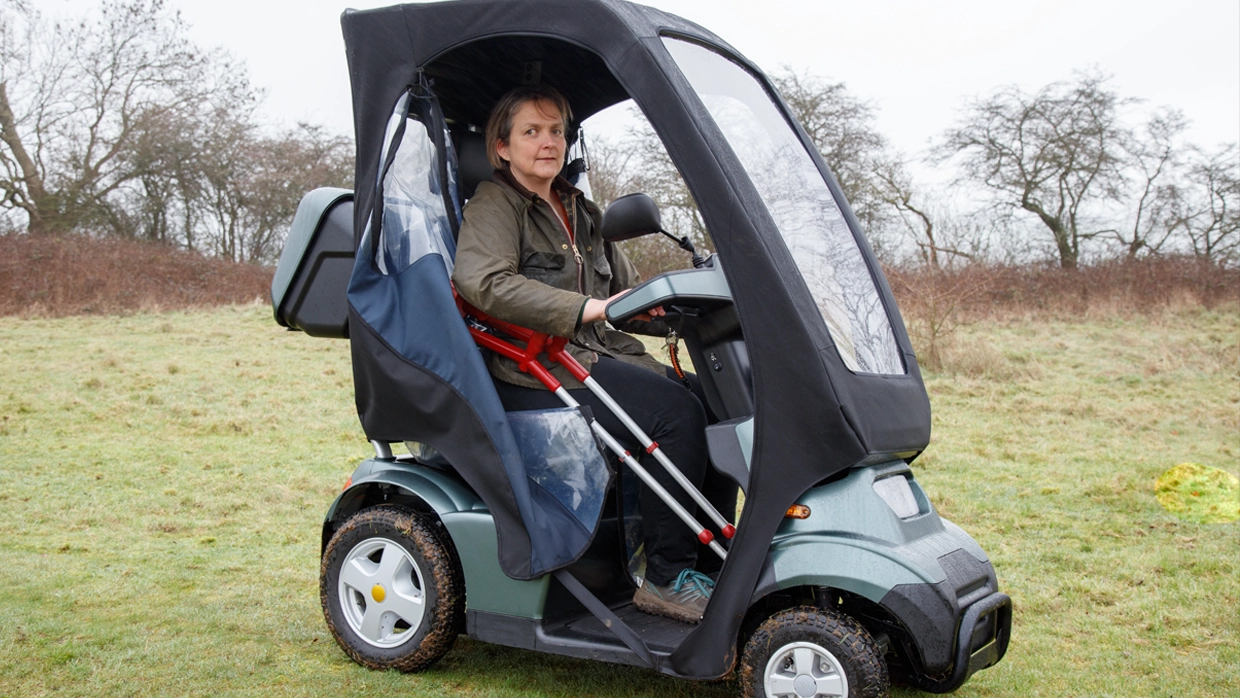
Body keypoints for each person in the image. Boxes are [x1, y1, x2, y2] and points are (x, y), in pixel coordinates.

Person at [452, 85, 732, 624]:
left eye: (556, 131)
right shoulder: (495, 204)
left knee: (714, 403)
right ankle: (668, 577)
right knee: (674, 414)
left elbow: (623, 295)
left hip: (600, 355)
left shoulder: (581, 209)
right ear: (502, 147)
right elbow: (484, 283)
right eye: (531, 132)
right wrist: (588, 308)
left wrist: (678, 305)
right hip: (536, 367)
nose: (548, 142)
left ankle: (712, 562)